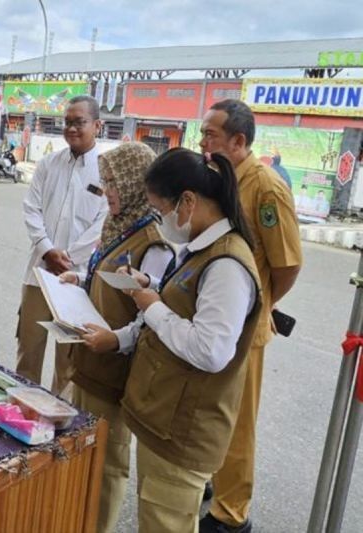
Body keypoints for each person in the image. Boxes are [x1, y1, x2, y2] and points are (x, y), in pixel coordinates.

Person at [120, 148, 262, 533]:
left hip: (184, 431)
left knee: (165, 523)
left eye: (160, 210)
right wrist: (155, 290)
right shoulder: (200, 249)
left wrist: (153, 308)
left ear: (188, 201)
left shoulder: (227, 264)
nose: (159, 221)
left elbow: (211, 350)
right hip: (166, 418)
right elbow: (189, 306)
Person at [59, 142, 173, 533]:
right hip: (90, 360)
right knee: (85, 454)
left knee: (108, 464)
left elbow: (153, 315)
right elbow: (110, 279)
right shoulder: (117, 227)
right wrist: (80, 278)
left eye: (114, 182)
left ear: (136, 183)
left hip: (115, 370)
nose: (107, 189)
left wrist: (117, 340)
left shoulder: (152, 243)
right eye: (105, 180)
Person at [199, 99, 302, 533]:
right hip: (211, 319)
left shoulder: (265, 188)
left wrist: (259, 309)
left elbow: (287, 264)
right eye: (202, 133)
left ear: (239, 142)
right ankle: (209, 479)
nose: (202, 142)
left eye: (211, 135)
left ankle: (231, 512)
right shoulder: (219, 178)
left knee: (237, 422)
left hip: (244, 329)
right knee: (209, 410)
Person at [16, 95, 109, 395]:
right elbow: (31, 209)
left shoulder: (107, 172)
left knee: (68, 363)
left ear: (97, 125)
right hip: (39, 274)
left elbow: (102, 224)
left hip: (77, 279)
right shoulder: (48, 164)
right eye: (67, 122)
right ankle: (22, 413)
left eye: (79, 122)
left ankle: (59, 427)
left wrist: (67, 258)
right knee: (28, 350)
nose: (71, 128)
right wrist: (47, 249)